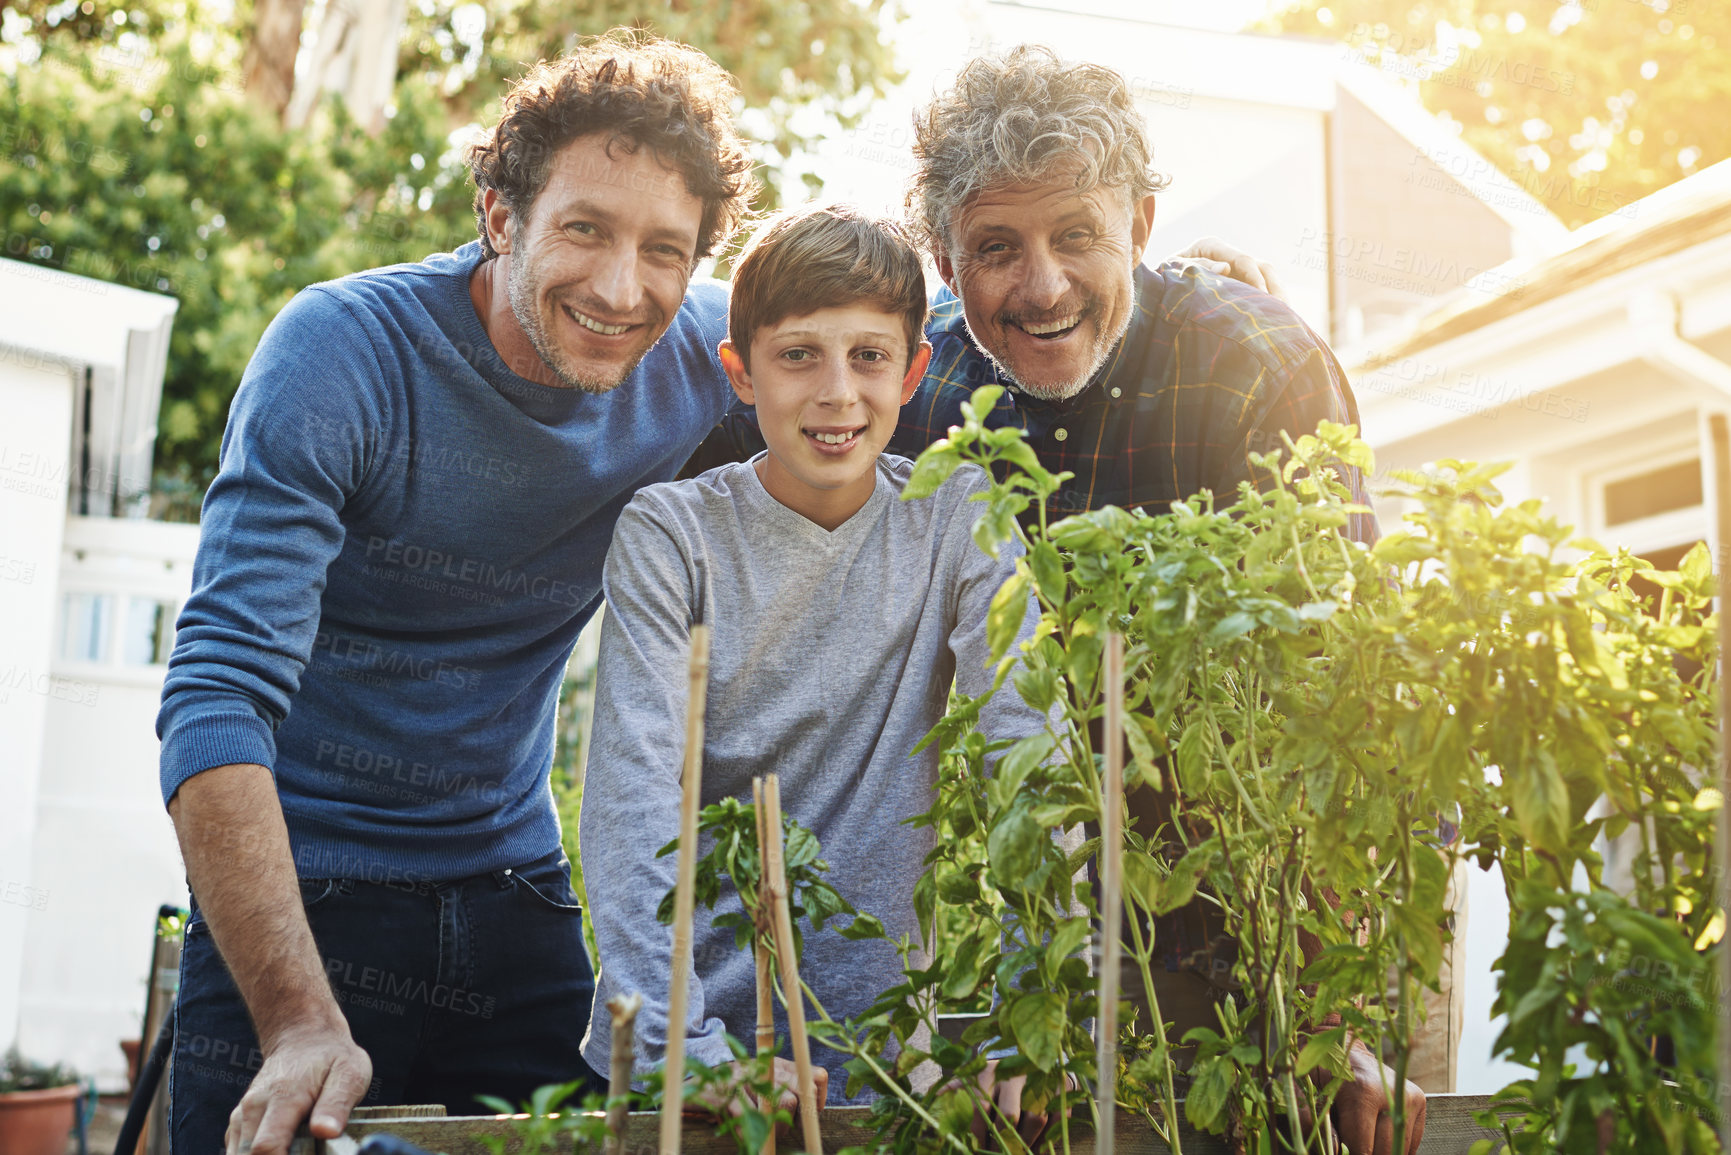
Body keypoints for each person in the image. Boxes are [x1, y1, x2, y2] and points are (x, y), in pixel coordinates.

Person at [155, 34, 755, 1155]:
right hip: (304, 898)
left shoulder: (707, 356)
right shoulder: (341, 354)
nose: (622, 289)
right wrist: (295, 1022)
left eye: (663, 250)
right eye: (584, 229)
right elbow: (217, 697)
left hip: (514, 888)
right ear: (498, 215)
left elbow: (899, 348)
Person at [891, 45, 1427, 1154]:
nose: (1040, 287)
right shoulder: (914, 388)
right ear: (944, 259)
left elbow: (1335, 707)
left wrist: (1334, 1012)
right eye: (996, 248)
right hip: (1027, 928)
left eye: (1077, 235)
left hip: (1255, 912)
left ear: (1139, 224)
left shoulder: (1254, 363)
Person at [578, 202, 1050, 1114]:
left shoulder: (954, 519)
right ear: (740, 374)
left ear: (913, 371)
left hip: (884, 1066)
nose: (837, 391)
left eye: (868, 356)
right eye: (799, 355)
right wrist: (687, 1049)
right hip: (693, 1072)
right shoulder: (673, 535)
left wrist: (1040, 1010)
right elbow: (634, 801)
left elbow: (1032, 756)